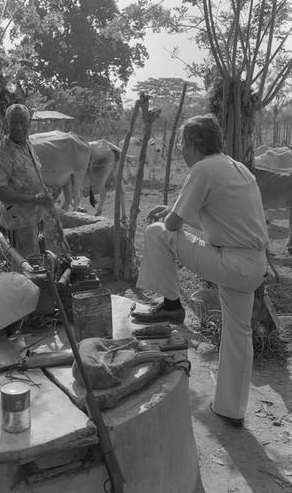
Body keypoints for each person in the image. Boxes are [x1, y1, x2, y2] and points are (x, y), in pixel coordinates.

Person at [131, 113, 269, 428]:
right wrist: (176, 210)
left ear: (194, 143)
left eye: (181, 143)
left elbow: (170, 226)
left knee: (155, 232)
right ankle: (231, 410)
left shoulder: (203, 169)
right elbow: (221, 223)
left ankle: (171, 306)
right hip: (252, 264)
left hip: (231, 262)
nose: (179, 149)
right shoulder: (238, 168)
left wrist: (172, 213)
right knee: (239, 332)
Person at [0, 103, 52, 261]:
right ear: (6, 124)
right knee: (27, 269)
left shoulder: (27, 146)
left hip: (34, 217)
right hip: (20, 222)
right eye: (13, 122)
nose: (18, 127)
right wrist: (34, 199)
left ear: (29, 123)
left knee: (36, 264)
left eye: (23, 122)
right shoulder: (3, 153)